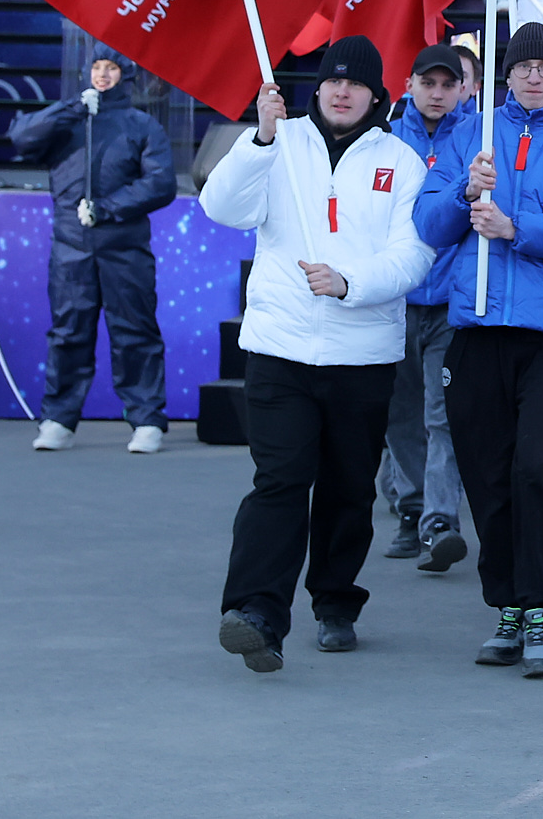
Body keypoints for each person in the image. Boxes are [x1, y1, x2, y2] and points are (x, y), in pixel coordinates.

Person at [203, 36, 434, 672]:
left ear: (376, 95)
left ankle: (335, 601)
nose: (342, 91)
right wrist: (259, 140)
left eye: (356, 84)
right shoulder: (279, 142)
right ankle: (256, 614)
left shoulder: (401, 161)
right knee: (279, 481)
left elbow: (413, 255)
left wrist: (350, 283)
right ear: (318, 87)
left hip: (363, 355)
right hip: (280, 348)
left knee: (347, 487)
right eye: (333, 80)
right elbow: (221, 207)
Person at [413, 22, 543, 678]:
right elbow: (428, 224)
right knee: (490, 472)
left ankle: (542, 608)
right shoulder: (469, 137)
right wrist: (463, 191)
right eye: (522, 66)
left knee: (542, 465)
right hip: (477, 330)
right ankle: (507, 603)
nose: (533, 76)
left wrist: (514, 226)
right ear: (505, 73)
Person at [9, 46, 175, 454]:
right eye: (97, 67)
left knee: (134, 332)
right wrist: (71, 108)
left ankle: (146, 420)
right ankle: (57, 419)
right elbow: (21, 137)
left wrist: (107, 207)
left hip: (125, 249)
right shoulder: (69, 120)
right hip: (71, 249)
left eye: (112, 68)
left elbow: (161, 183)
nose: (103, 75)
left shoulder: (141, 125)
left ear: (126, 75)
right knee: (68, 333)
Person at [383, 45, 473, 571]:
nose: (437, 93)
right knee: (400, 415)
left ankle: (439, 521)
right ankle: (411, 508)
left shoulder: (476, 137)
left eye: (447, 84)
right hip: (395, 299)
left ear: (463, 88)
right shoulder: (387, 139)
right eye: (428, 83)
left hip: (448, 302)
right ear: (410, 85)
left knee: (441, 416)